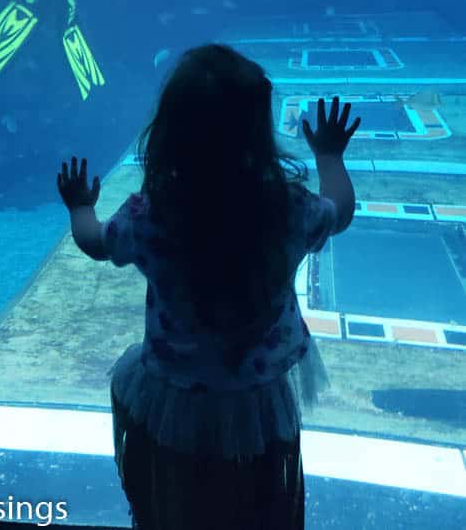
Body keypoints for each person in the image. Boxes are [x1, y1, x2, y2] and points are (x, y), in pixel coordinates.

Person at [56, 44, 361, 529]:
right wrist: (329, 155)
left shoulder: (151, 215)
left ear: (171, 133)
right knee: (259, 490)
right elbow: (340, 211)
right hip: (255, 393)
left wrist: (79, 207)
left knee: (178, 491)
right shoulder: (287, 209)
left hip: (176, 390)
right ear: (258, 133)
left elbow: (96, 243)